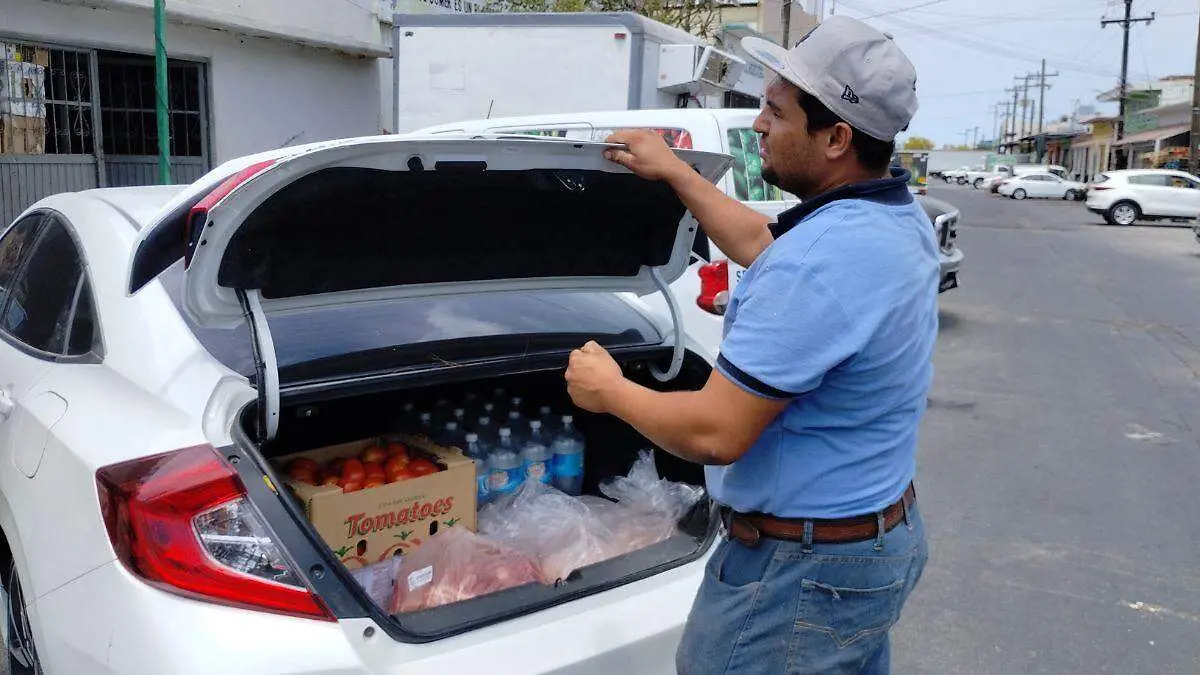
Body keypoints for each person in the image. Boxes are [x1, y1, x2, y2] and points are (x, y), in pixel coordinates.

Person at [563, 15, 937, 675]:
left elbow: (715, 432)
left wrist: (611, 390)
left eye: (775, 110)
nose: (758, 123)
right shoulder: (893, 219)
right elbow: (764, 245)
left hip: (800, 573)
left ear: (836, 138)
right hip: (873, 545)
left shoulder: (821, 261)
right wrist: (677, 174)